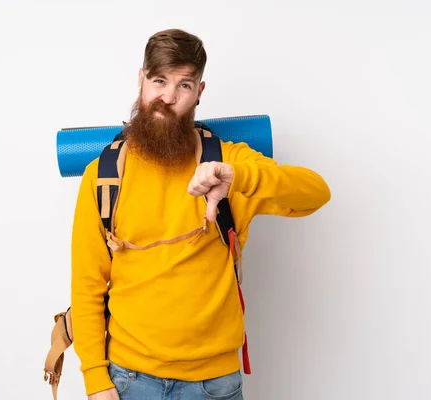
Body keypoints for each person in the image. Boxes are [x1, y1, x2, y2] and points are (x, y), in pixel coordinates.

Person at [71, 28, 331, 400]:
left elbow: (317, 192)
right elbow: (87, 285)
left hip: (214, 385)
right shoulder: (104, 175)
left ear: (199, 93)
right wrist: (96, 379)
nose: (168, 97)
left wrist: (238, 176)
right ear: (141, 79)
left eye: (184, 85)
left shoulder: (228, 161)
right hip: (128, 379)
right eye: (159, 81)